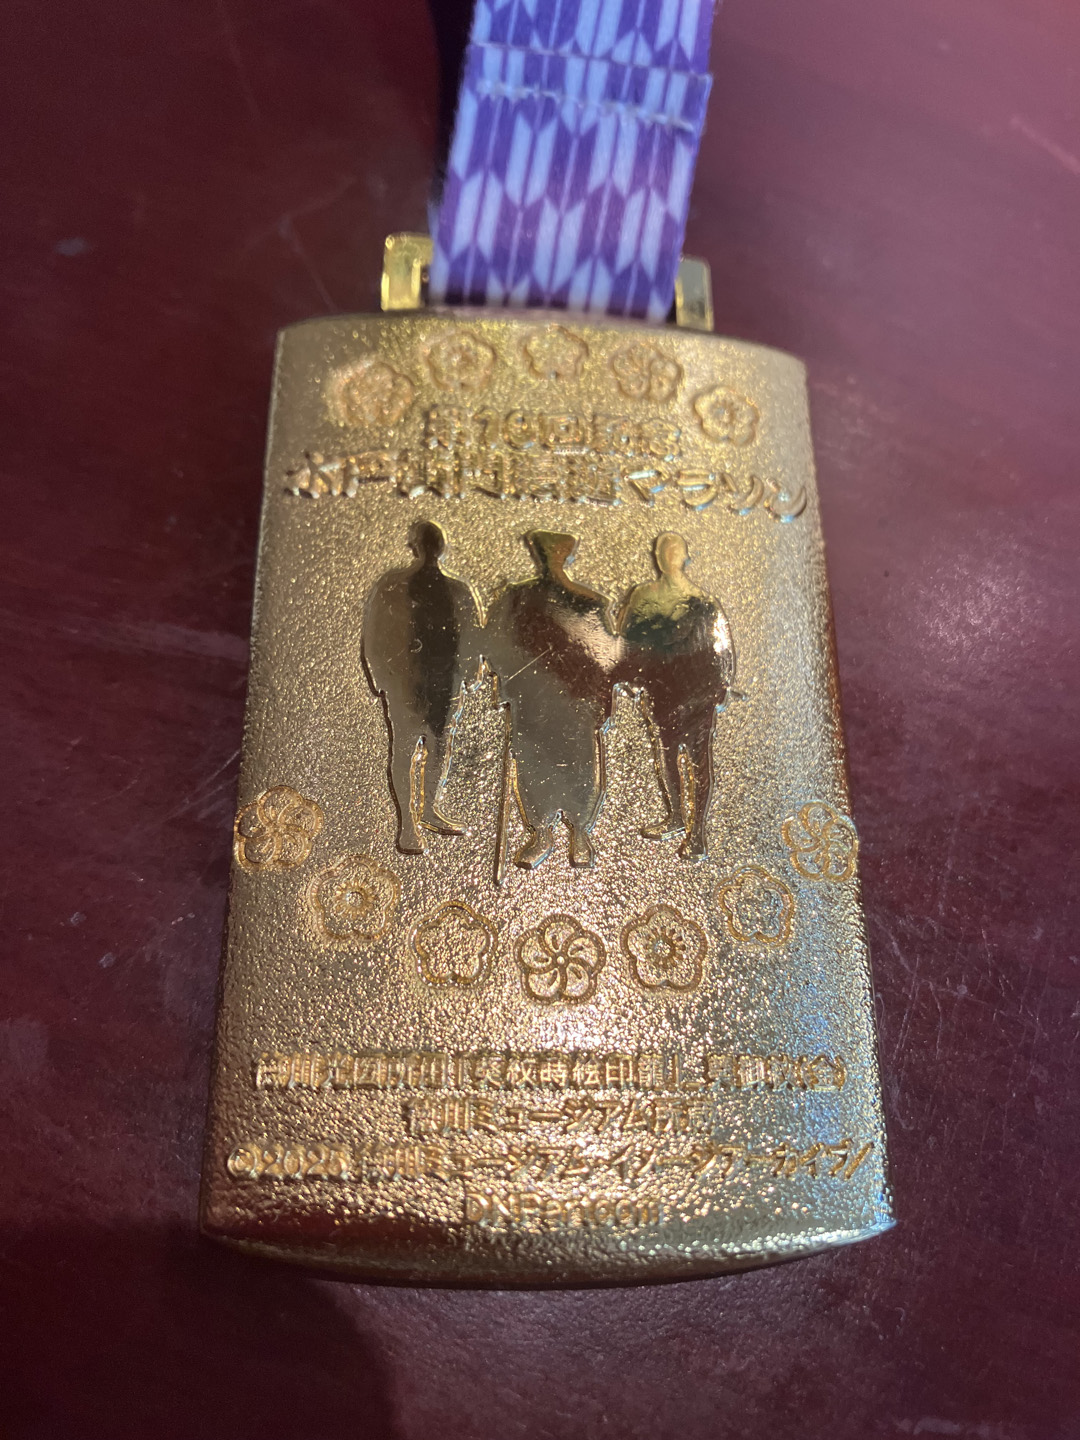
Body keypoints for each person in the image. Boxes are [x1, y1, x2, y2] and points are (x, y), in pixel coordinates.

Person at [483, 531, 619, 870]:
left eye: (556, 554)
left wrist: (603, 699)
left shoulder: (587, 603)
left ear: (565, 557)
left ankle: (580, 831)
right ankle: (540, 832)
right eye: (545, 553)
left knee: (579, 763)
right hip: (533, 697)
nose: (551, 560)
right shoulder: (516, 598)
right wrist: (507, 680)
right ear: (538, 557)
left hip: (575, 701)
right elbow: (497, 643)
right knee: (532, 762)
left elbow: (604, 658)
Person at [362, 520, 482, 853]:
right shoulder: (393, 585)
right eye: (425, 543)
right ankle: (407, 825)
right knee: (405, 749)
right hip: (404, 682)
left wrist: (470, 674)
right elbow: (377, 633)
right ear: (416, 547)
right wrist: (379, 677)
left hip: (445, 682)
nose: (429, 549)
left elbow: (471, 635)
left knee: (438, 747)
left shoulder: (458, 590)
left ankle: (428, 809)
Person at [616, 532, 735, 860]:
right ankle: (677, 817)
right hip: (662, 690)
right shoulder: (643, 597)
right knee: (667, 755)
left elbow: (721, 647)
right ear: (657, 557)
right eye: (663, 550)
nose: (669, 556)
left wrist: (722, 686)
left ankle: (698, 834)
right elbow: (628, 640)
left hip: (698, 693)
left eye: (675, 550)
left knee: (698, 759)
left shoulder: (703, 602)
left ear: (685, 557)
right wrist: (632, 678)